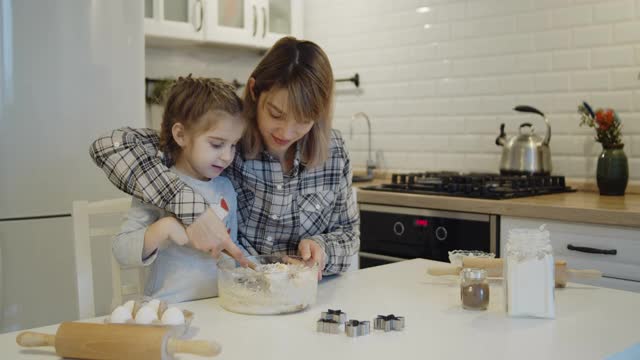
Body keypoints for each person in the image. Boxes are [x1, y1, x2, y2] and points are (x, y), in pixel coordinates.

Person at [91, 36, 359, 279]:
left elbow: (349, 237)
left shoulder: (334, 152)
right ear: (254, 91)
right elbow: (111, 146)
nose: (287, 132)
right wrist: (193, 210)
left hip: (309, 296)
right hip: (238, 294)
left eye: (303, 121)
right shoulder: (226, 144)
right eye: (276, 114)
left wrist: (323, 250)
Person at [112, 75, 247, 303]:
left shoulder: (226, 187)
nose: (227, 156)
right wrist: (163, 228)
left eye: (233, 146)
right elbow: (122, 250)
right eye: (216, 144)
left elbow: (231, 247)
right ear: (181, 135)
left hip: (221, 305)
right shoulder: (156, 184)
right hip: (168, 307)